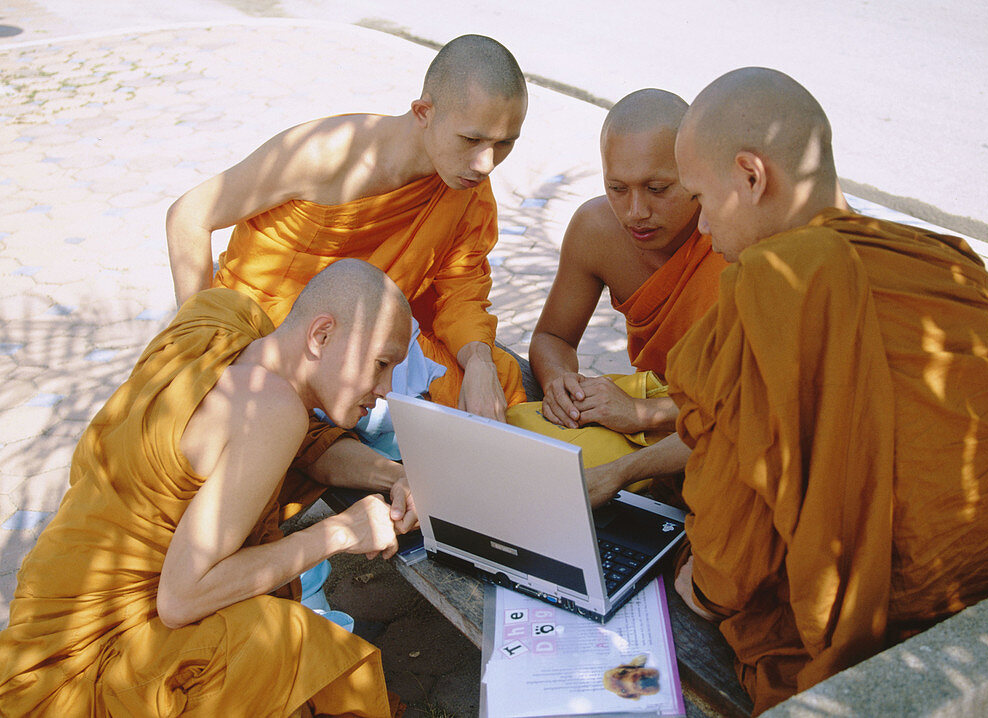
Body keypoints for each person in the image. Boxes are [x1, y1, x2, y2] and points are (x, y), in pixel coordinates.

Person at [658, 67, 988, 713]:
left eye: (701, 200)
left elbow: (732, 556)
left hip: (891, 625)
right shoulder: (947, 261)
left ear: (751, 176)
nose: (703, 230)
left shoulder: (775, 285)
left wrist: (701, 590)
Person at [0, 260, 415, 717]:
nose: (386, 389)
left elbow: (303, 445)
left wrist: (392, 474)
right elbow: (181, 599)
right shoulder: (271, 411)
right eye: (381, 364)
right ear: (320, 335)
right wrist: (338, 534)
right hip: (96, 654)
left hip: (43, 623)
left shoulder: (223, 317)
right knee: (278, 641)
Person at [166, 34, 528, 423]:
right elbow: (188, 215)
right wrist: (199, 349)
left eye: (504, 143)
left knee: (496, 382)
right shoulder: (327, 155)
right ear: (424, 112)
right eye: (471, 139)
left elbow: (461, 287)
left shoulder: (464, 183)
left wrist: (478, 361)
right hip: (271, 330)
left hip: (364, 344)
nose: (486, 163)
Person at [513, 89, 724, 497]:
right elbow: (552, 337)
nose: (635, 211)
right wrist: (560, 383)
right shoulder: (597, 229)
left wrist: (641, 414)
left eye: (657, 188)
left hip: (719, 431)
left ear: (696, 173)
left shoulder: (733, 239)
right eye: (617, 188)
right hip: (656, 426)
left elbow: (750, 406)